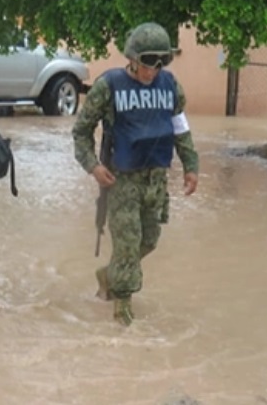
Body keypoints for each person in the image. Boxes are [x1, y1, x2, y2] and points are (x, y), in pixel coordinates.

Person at [72, 22, 199, 326]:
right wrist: (93, 166)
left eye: (159, 63)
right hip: (121, 180)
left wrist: (191, 165)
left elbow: (180, 128)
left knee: (149, 240)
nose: (151, 71)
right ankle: (122, 314)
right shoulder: (109, 86)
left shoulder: (170, 85)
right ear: (132, 58)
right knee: (128, 246)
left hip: (156, 180)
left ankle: (109, 275)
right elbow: (81, 131)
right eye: (146, 63)